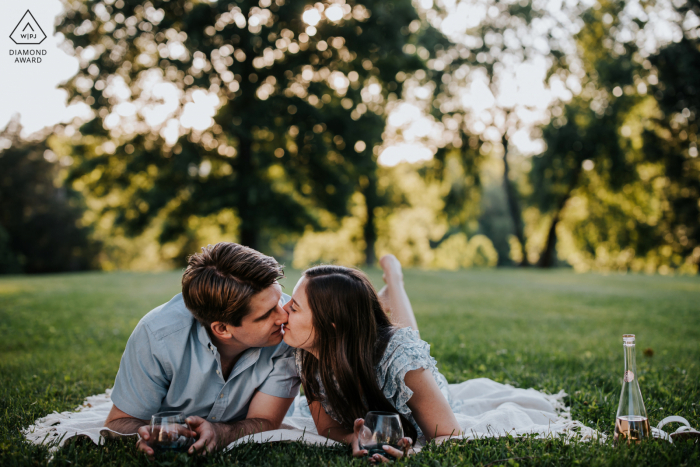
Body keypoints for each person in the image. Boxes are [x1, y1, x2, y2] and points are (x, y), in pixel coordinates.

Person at [104, 243, 300, 456]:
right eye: (266, 314)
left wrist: (220, 432)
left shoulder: (288, 331)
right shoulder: (158, 336)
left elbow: (266, 421)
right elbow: (119, 421)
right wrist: (147, 435)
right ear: (222, 328)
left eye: (279, 298)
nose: (283, 316)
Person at [281, 255, 462, 462]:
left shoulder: (400, 358)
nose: (283, 310)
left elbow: (449, 435)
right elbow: (327, 427)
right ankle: (382, 298)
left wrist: (414, 453)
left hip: (414, 373)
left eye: (294, 307)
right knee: (381, 327)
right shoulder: (308, 353)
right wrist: (353, 437)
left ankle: (394, 281)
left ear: (330, 327)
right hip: (357, 339)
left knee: (408, 339)